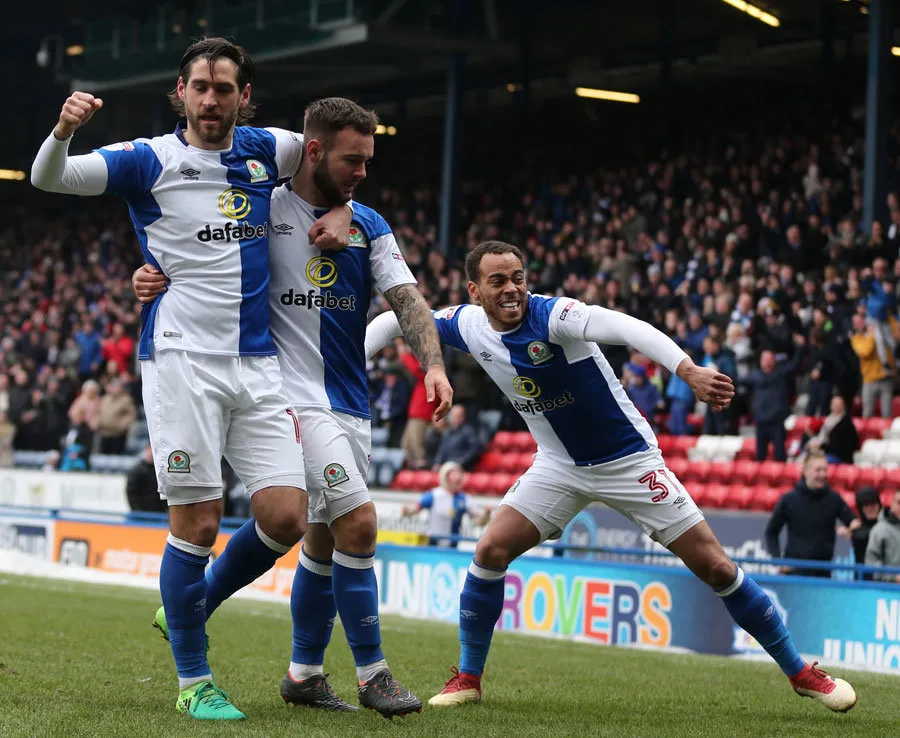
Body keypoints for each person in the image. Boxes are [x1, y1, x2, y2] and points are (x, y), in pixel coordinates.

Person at [364, 240, 856, 713]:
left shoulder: (555, 315)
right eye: (497, 281)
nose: (512, 289)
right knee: (490, 550)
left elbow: (627, 327)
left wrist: (686, 370)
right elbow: (394, 318)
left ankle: (800, 672)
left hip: (628, 462)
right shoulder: (466, 325)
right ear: (474, 291)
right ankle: (468, 678)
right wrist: (354, 370)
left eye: (518, 278)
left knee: (717, 567)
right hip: (558, 465)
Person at [31, 37, 353, 721]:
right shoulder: (148, 159)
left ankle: (189, 602)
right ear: (181, 91)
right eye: (201, 86)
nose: (212, 99)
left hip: (258, 361)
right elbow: (48, 179)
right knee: (198, 523)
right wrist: (63, 131)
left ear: (245, 97)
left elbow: (342, 160)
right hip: (181, 360)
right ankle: (193, 681)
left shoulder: (274, 149)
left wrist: (344, 209)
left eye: (225, 88)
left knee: (286, 516)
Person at [134, 96, 452, 718]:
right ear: (313, 150)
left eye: (368, 161)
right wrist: (151, 274)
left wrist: (434, 364)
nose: (362, 171)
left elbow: (407, 299)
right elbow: (195, 247)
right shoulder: (260, 206)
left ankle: (300, 671)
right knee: (358, 525)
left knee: (325, 540)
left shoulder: (367, 223)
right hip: (284, 396)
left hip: (348, 401)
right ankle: (373, 674)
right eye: (351, 161)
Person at [764, 451, 859, 578]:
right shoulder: (789, 499)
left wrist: (851, 530)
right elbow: (771, 532)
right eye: (818, 470)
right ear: (805, 471)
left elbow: (854, 522)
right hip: (794, 574)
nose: (823, 474)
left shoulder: (834, 499)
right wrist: (778, 561)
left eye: (825, 470)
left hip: (823, 573)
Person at [739, 343, 805, 462]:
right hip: (760, 422)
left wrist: (799, 347)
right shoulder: (755, 376)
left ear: (774, 361)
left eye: (770, 359)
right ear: (760, 361)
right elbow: (737, 381)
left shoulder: (781, 374)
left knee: (780, 456)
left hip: (777, 422)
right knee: (760, 456)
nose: (767, 362)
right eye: (765, 360)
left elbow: (795, 365)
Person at [402, 462, 491, 547]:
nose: (457, 479)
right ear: (445, 477)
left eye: (459, 475)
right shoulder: (434, 495)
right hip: (432, 543)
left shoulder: (464, 498)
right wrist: (407, 510)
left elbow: (478, 520)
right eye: (453, 475)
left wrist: (486, 514)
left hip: (452, 546)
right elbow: (414, 508)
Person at [803, 395, 859, 465]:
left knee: (816, 461)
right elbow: (823, 437)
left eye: (839, 404)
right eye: (835, 404)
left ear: (843, 406)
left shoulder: (846, 423)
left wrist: (821, 446)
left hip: (839, 456)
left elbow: (840, 446)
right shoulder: (829, 420)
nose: (837, 406)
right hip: (826, 451)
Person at [865, 489, 900, 583]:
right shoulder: (879, 530)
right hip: (887, 591)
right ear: (892, 505)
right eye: (899, 503)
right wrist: (894, 577)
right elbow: (871, 562)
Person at [851, 486, 882, 581]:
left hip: (885, 580)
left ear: (878, 505)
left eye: (873, 504)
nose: (870, 508)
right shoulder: (857, 529)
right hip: (862, 580)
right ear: (861, 508)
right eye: (866, 505)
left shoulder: (888, 525)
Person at [127, 445, 167, 513]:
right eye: (151, 451)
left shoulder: (162, 470)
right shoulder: (136, 471)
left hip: (160, 513)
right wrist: (137, 511)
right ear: (146, 451)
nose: (152, 454)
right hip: (141, 513)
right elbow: (132, 493)